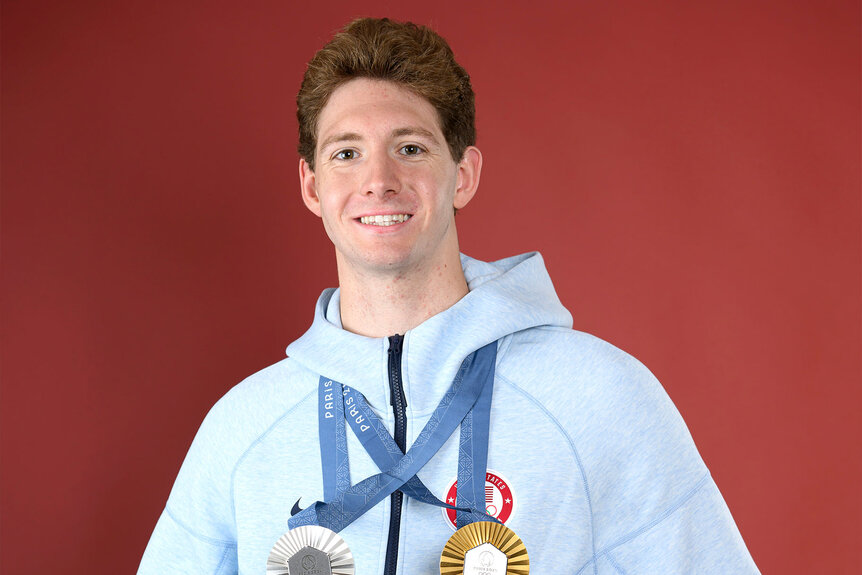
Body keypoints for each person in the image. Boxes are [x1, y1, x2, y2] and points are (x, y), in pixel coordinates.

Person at [138, 17, 759, 574]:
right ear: (311, 185)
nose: (379, 181)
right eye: (347, 154)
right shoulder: (242, 428)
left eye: (410, 148)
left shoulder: (599, 398)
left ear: (463, 175)